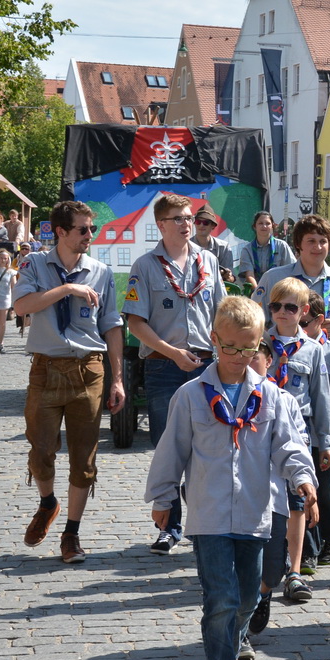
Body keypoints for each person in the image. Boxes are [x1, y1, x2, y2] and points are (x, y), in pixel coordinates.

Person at [143, 295, 316, 660]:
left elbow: (289, 445)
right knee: (220, 598)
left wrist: (302, 477)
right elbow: (172, 452)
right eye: (229, 348)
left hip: (256, 514)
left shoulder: (271, 397)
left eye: (248, 348)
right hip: (209, 515)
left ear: (261, 344)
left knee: (246, 600)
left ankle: (231, 642)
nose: (238, 357)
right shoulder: (191, 396)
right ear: (214, 340)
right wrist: (164, 498)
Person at [11, 200, 127, 565]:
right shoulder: (33, 264)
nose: (89, 236)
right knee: (41, 449)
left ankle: (71, 534)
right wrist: (66, 290)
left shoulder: (100, 271)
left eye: (91, 229)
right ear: (61, 232)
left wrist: (117, 379)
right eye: (82, 230)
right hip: (46, 369)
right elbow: (21, 307)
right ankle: (48, 502)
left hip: (88, 370)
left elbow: (111, 326)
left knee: (84, 459)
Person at [123, 193, 226, 554]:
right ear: (162, 225)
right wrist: (172, 353)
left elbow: (223, 313)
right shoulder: (146, 265)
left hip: (204, 366)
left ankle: (204, 525)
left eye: (189, 217)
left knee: (207, 449)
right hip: (164, 367)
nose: (187, 224)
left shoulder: (208, 261)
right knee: (169, 449)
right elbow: (136, 323)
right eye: (179, 218)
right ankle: (170, 526)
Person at [264, 276, 330, 602]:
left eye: (290, 307)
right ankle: (265, 567)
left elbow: (321, 397)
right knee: (263, 497)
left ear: (304, 311)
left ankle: (294, 571)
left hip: (299, 430)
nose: (281, 312)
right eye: (275, 306)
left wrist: (326, 441)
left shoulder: (312, 351)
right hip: (261, 428)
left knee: (297, 501)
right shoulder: (260, 345)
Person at [256, 215, 330, 343]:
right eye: (311, 241)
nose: (318, 247)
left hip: (327, 360)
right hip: (282, 358)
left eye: (323, 241)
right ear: (298, 244)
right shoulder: (273, 278)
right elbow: (254, 324)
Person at [302, 292, 330, 568]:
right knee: (307, 490)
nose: (302, 327)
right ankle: (310, 544)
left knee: (329, 491)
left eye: (306, 322)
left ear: (320, 321)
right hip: (303, 432)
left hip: (328, 432)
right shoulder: (290, 350)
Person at [235, 211, 294, 293]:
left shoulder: (282, 246)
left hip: (280, 292)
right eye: (260, 223)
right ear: (254, 226)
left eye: (267, 223)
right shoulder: (247, 249)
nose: (264, 226)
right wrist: (259, 293)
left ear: (273, 226)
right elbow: (249, 275)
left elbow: (290, 270)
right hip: (256, 292)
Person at [192, 207, 238, 279]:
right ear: (194, 224)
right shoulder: (185, 245)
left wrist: (228, 276)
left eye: (205, 223)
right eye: (198, 222)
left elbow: (231, 278)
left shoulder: (224, 247)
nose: (201, 225)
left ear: (213, 226)